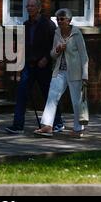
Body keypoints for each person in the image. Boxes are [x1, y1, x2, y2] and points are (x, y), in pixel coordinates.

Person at [5, 0, 64, 134]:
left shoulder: (48, 24)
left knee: (49, 95)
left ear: (39, 8)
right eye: (28, 6)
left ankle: (58, 122)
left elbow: (53, 44)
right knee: (21, 93)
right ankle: (18, 125)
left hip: (43, 66)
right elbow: (24, 44)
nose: (29, 8)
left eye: (32, 6)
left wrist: (46, 58)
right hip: (29, 65)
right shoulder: (26, 25)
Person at [34, 8, 89, 138]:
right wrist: (58, 49)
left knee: (76, 101)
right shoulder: (57, 33)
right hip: (59, 71)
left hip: (75, 72)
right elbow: (52, 54)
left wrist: (85, 74)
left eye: (62, 19)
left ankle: (78, 129)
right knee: (52, 97)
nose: (59, 21)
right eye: (58, 19)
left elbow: (84, 55)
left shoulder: (76, 33)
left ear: (69, 20)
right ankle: (47, 126)